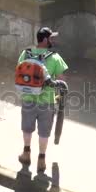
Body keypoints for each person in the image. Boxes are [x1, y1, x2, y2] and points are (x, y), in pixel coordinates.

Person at [17, 27, 68, 173]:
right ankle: (41, 160)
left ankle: (26, 154)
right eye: (51, 38)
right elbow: (62, 80)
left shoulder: (25, 53)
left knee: (27, 128)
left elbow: (19, 72)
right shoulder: (54, 57)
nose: (52, 40)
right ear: (45, 39)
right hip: (47, 101)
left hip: (28, 98)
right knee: (44, 132)